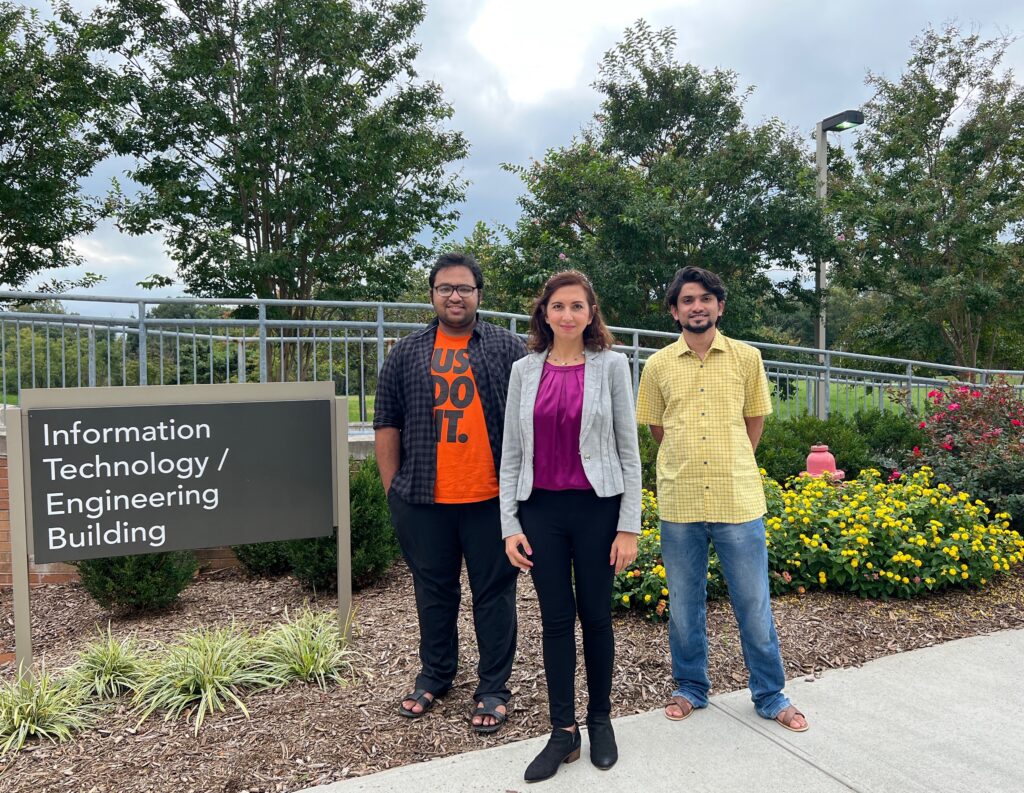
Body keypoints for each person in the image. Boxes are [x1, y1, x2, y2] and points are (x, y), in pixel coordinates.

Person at [635, 266, 808, 733]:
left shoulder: (748, 358)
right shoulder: (657, 365)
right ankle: (691, 687)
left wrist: (730, 458)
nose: (697, 306)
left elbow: (755, 420)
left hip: (738, 499)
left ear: (720, 306)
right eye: (688, 300)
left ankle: (770, 694)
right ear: (675, 311)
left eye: (705, 299)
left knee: (754, 603)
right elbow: (656, 428)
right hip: (681, 502)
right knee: (684, 605)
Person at [374, 252, 527, 734]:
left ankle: (493, 688)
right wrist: (392, 491)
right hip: (422, 500)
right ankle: (436, 674)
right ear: (432, 295)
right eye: (445, 288)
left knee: (494, 594)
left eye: (463, 288)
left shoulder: (509, 348)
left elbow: (530, 421)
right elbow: (386, 422)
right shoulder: (406, 352)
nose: (454, 296)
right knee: (433, 593)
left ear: (479, 295)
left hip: (491, 499)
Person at [500, 270, 642, 782]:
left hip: (597, 510)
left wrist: (630, 526)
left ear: (590, 313)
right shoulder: (523, 371)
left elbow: (629, 449)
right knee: (556, 620)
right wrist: (509, 523)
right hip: (541, 512)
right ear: (544, 312)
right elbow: (512, 453)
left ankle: (600, 719)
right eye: (558, 306)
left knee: (597, 616)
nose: (567, 315)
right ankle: (563, 731)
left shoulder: (612, 367)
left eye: (577, 306)